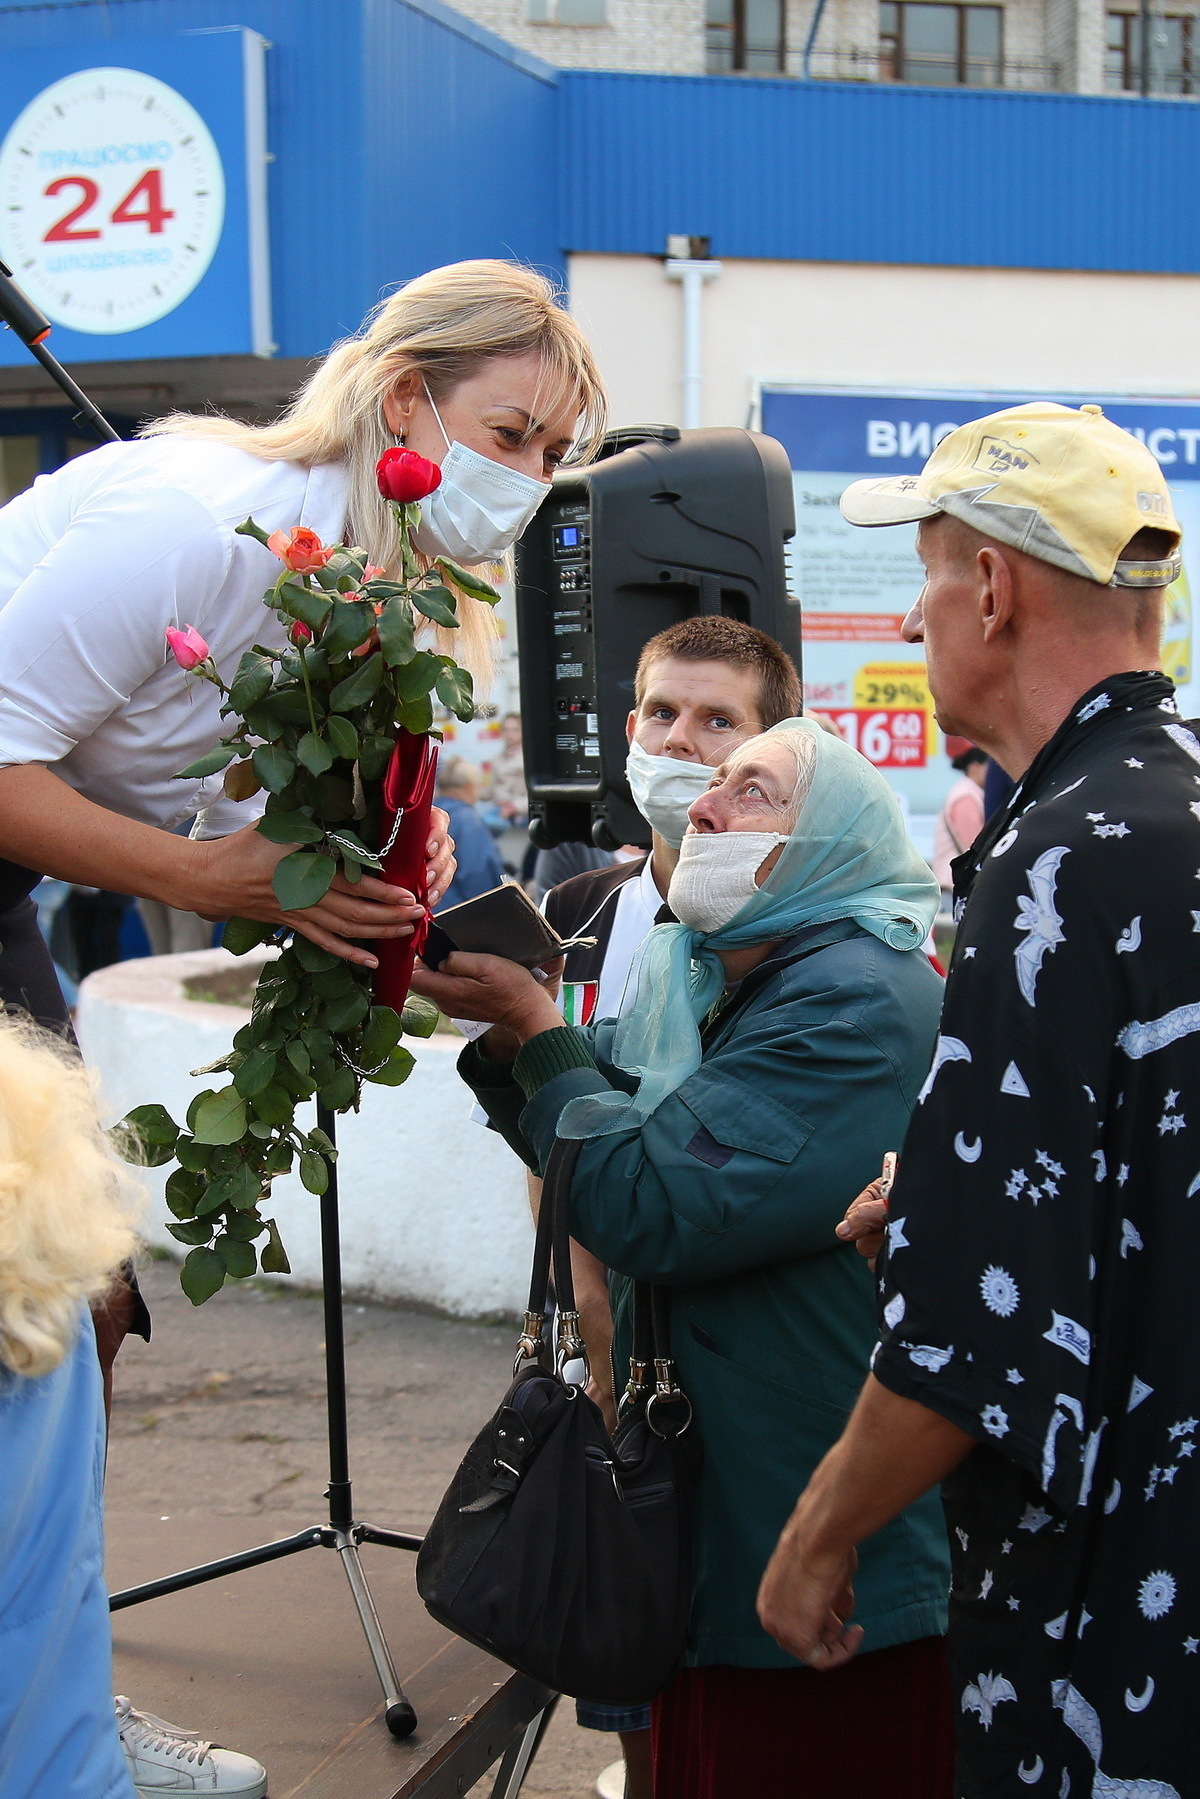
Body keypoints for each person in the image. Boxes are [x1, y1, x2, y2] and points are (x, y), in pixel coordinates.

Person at [0, 256, 604, 1796]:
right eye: (514, 431)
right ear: (408, 399)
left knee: (89, 1308)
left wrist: (389, 855)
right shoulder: (193, 517)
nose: (528, 479)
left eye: (551, 453)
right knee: (50, 1301)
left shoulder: (379, 587)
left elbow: (272, 803)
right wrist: (219, 876)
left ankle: (52, 1687)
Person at [757, 401, 1199, 1795]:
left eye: (933, 574)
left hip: (1107, 1624)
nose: (914, 614)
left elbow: (977, 1330)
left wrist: (817, 1533)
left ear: (996, 589)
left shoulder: (1058, 860)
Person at [414, 718, 955, 1798]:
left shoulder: (851, 997)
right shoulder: (730, 977)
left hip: (818, 1562)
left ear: (831, 843)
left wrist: (537, 1026)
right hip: (735, 1527)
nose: (703, 803)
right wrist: (518, 1035)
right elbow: (600, 1134)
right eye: (707, 783)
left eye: (749, 788)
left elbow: (653, 1200)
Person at [538, 614, 802, 1798]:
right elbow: (550, 1122)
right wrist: (587, 1317)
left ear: (772, 741)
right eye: (660, 711)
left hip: (728, 1329)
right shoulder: (579, 908)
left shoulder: (789, 921)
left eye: (718, 720)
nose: (681, 741)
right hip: (596, 1313)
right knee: (623, 1604)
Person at [434, 756, 505, 910]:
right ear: (469, 786)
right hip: (456, 917)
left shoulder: (430, 814)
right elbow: (477, 876)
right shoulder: (468, 820)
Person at [931, 739, 987, 898]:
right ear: (975, 767)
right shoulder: (965, 797)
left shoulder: (966, 793)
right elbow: (974, 846)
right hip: (953, 887)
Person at [480, 711, 530, 834]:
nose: (509, 734)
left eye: (515, 730)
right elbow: (486, 793)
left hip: (520, 814)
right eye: (506, 730)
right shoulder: (496, 759)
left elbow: (536, 795)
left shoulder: (529, 760)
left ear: (523, 732)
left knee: (485, 826)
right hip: (498, 810)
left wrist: (514, 807)